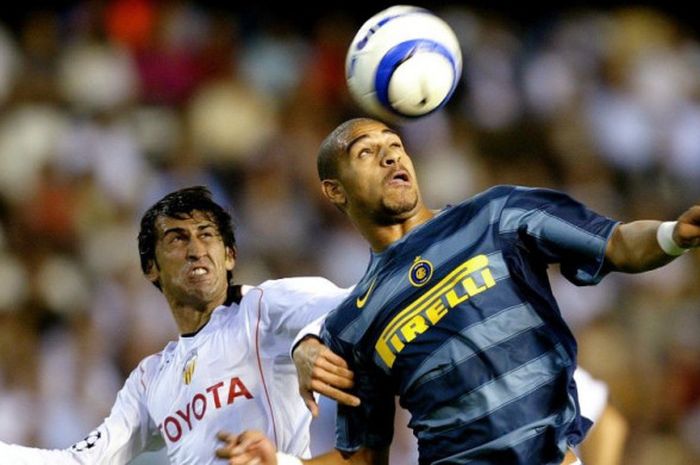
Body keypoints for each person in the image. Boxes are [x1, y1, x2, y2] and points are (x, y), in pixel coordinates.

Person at [221, 117, 699, 465]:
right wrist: (280, 463)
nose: (391, 154)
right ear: (334, 191)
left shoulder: (496, 215)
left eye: (396, 143)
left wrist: (671, 235)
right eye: (365, 152)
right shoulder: (352, 324)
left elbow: (615, 243)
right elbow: (363, 459)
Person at [0, 186, 352, 465]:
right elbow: (82, 460)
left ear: (229, 255)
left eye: (207, 235)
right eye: (178, 239)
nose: (196, 249)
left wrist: (307, 339)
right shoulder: (150, 379)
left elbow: (361, 301)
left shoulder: (265, 307)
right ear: (151, 268)